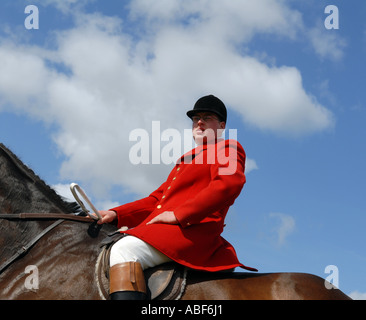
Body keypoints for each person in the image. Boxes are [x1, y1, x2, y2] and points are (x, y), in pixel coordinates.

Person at [97, 95, 257, 300]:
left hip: (192, 232)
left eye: (207, 117)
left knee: (124, 251)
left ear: (221, 125)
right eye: (195, 118)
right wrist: (115, 213)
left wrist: (179, 215)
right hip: (166, 230)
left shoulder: (228, 148)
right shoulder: (186, 159)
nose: (199, 122)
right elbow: (157, 200)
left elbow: (228, 185)